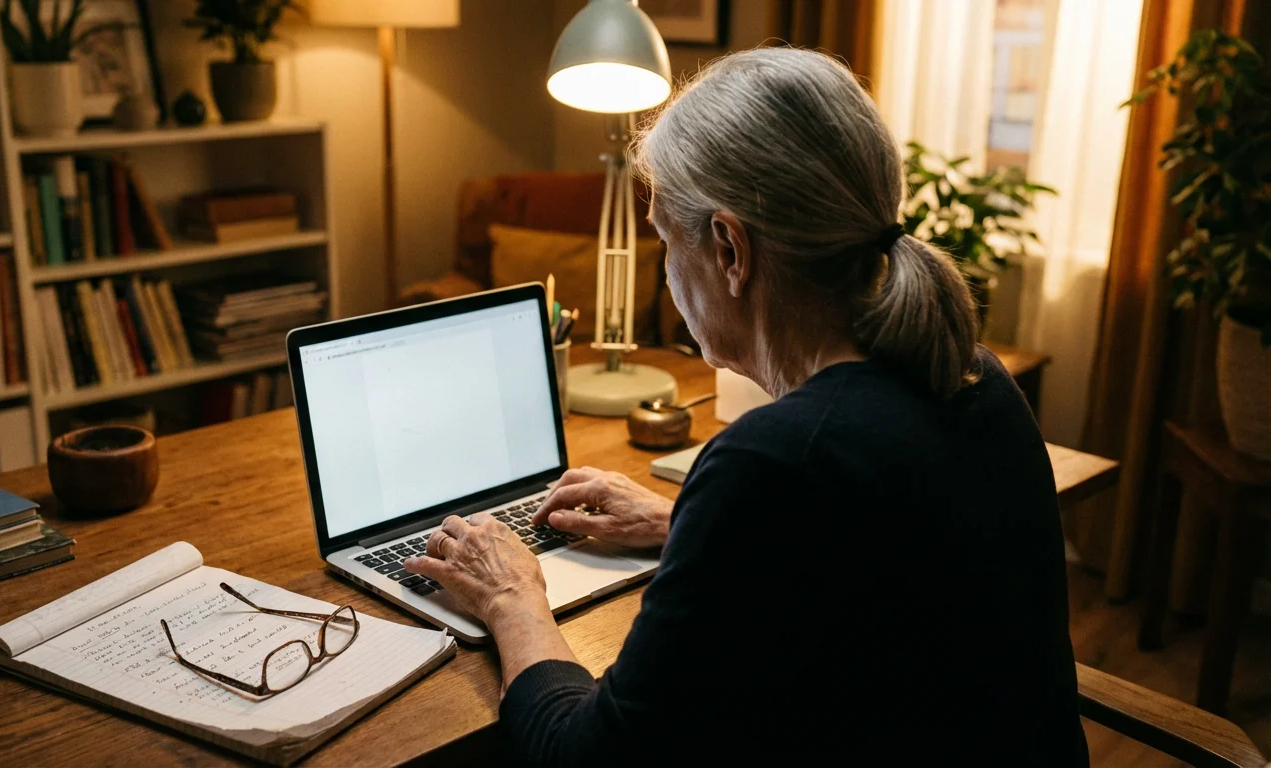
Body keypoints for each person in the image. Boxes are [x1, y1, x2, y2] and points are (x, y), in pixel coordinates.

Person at [404, 47, 1086, 765]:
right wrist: (686, 525)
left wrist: (512, 598)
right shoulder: (973, 377)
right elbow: (872, 560)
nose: (666, 271)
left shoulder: (776, 462)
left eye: (667, 240)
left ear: (730, 249)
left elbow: (591, 758)